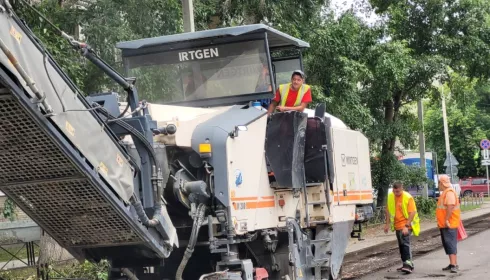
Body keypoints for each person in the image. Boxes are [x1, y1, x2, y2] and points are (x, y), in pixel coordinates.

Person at [384, 182, 420, 273]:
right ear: (393, 190)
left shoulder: (408, 197)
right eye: (395, 191)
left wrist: (406, 226)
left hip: (406, 225)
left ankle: (408, 265)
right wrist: (387, 224)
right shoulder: (391, 196)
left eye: (398, 192)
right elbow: (388, 210)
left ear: (402, 188)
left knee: (405, 244)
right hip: (397, 225)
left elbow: (412, 212)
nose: (396, 193)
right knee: (401, 245)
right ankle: (406, 263)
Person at [437, 174, 461, 273]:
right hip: (446, 223)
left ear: (441, 183)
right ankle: (452, 264)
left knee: (450, 243)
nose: (438, 185)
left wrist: (446, 220)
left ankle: (454, 265)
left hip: (449, 223)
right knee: (448, 243)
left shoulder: (449, 193)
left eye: (439, 183)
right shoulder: (446, 192)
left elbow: (450, 206)